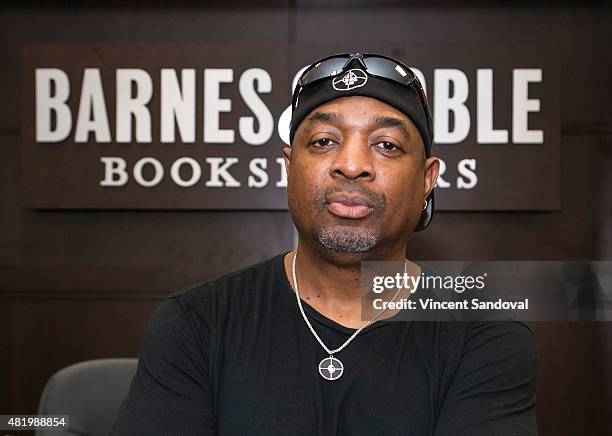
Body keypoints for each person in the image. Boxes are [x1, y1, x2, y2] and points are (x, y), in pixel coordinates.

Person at [112, 53, 538, 435]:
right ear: (288, 166)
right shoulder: (196, 323)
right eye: (323, 142)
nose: (351, 165)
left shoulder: (486, 335)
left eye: (386, 145)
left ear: (427, 180)